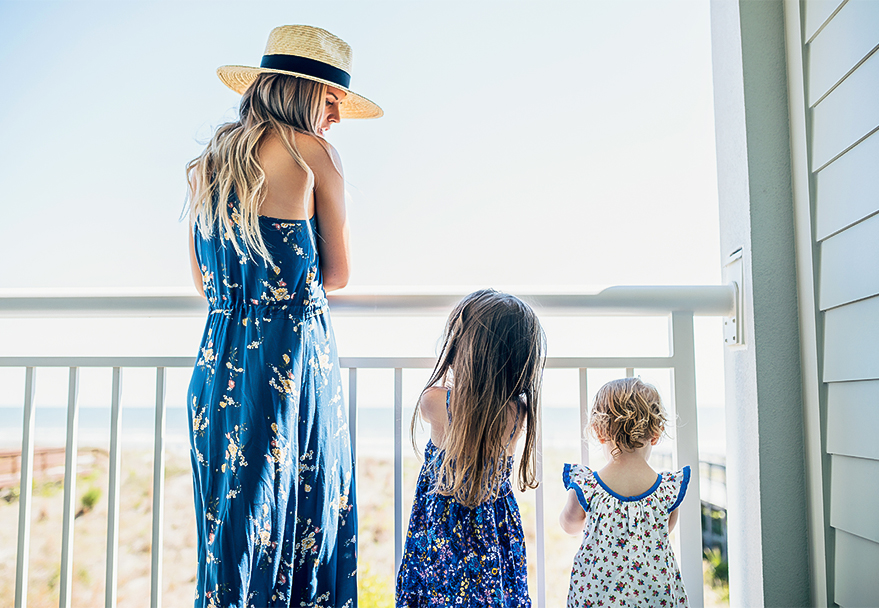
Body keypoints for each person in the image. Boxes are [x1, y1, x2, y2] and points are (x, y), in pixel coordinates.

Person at [184, 25, 382, 608]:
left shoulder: (208, 163)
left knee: (232, 532)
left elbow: (204, 282)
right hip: (289, 366)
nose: (337, 119)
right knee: (304, 522)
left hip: (219, 362)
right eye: (332, 102)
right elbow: (338, 273)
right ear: (303, 92)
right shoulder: (310, 153)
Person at [396, 289, 546, 607]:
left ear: (463, 349)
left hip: (441, 526)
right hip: (495, 525)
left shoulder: (436, 402)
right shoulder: (518, 413)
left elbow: (450, 392)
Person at [559, 377, 690, 607]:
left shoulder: (587, 486)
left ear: (599, 432)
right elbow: (665, 529)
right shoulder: (667, 490)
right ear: (656, 433)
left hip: (599, 598)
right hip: (654, 598)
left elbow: (569, 525)